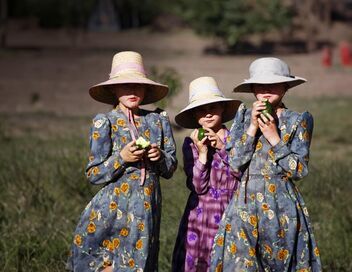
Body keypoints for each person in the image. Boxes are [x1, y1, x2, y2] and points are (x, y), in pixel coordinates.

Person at [66, 51, 177, 272]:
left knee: (140, 264)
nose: (133, 91)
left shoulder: (157, 121)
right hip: (112, 211)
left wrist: (160, 157)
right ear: (113, 89)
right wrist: (122, 158)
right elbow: (93, 173)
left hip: (147, 211)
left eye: (138, 85)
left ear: (146, 89)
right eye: (125, 85)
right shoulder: (105, 122)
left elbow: (171, 167)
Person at [210, 57, 322, 271]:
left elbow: (299, 169)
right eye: (260, 85)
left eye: (273, 84)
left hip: (281, 208)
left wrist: (274, 138)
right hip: (244, 206)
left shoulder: (298, 120)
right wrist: (252, 128)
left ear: (286, 87)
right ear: (252, 89)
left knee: (279, 263)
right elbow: (233, 164)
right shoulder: (243, 117)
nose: (266, 89)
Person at [172, 76, 242, 272]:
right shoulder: (191, 144)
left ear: (222, 108)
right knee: (198, 261)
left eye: (212, 107)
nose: (208, 114)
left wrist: (221, 147)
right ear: (195, 116)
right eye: (201, 110)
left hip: (231, 210)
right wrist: (202, 154)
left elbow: (240, 172)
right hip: (200, 215)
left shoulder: (236, 139)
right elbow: (198, 186)